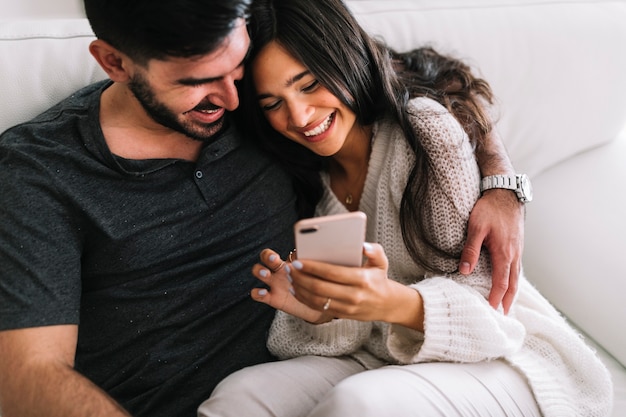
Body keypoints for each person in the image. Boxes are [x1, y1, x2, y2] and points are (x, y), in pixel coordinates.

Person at [0, 1, 524, 416]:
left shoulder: (268, 102)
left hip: (340, 380)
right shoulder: (37, 173)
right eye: (196, 81)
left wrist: (502, 181)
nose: (232, 101)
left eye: (236, 69)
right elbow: (26, 377)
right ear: (113, 62)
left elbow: (412, 78)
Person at [197, 0, 613, 416]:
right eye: (273, 103)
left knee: (358, 404)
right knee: (241, 395)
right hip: (388, 360)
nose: (299, 116)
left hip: (507, 359)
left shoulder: (423, 133)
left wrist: (392, 301)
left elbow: (493, 319)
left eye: (308, 85)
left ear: (343, 58)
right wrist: (322, 311)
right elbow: (355, 332)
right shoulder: (308, 182)